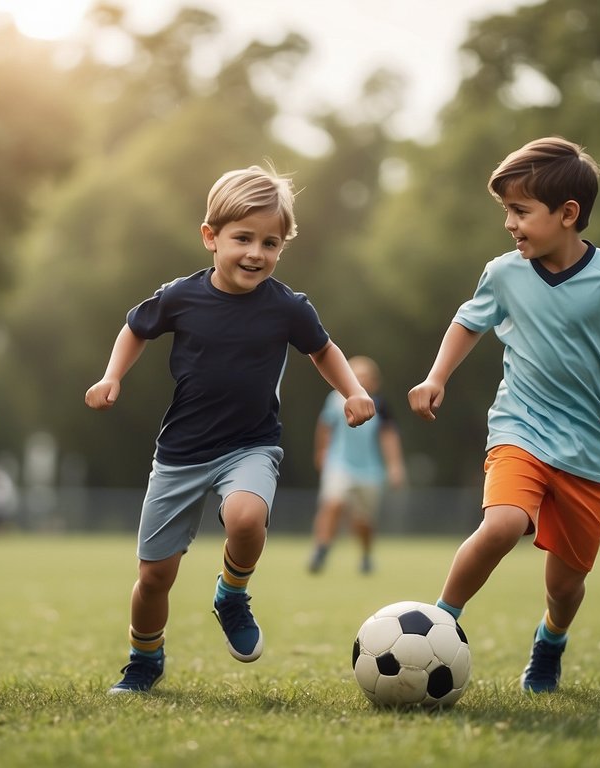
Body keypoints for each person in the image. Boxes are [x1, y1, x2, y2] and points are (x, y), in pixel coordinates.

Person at [85, 164, 375, 695]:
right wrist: (111, 377)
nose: (256, 254)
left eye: (271, 242)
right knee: (154, 578)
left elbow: (322, 350)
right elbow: (134, 328)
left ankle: (232, 593)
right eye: (243, 238)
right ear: (210, 237)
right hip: (180, 453)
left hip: (251, 445)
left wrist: (352, 391)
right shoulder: (180, 296)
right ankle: (144, 659)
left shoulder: (287, 306)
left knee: (246, 517)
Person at [407, 137, 600, 694]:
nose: (509, 223)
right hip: (521, 426)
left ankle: (550, 639)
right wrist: (437, 376)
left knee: (564, 585)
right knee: (502, 523)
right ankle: (440, 620)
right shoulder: (504, 273)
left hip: (592, 448)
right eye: (506, 210)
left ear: (568, 214)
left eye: (520, 211)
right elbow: (468, 323)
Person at [308, 355, 405, 575]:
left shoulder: (380, 405)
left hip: (369, 470)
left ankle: (366, 555)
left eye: (365, 377)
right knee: (332, 503)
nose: (360, 381)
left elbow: (388, 437)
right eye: (356, 375)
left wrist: (395, 465)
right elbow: (325, 427)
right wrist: (321, 452)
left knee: (364, 521)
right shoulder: (334, 400)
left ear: (374, 382)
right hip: (339, 463)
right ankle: (321, 550)